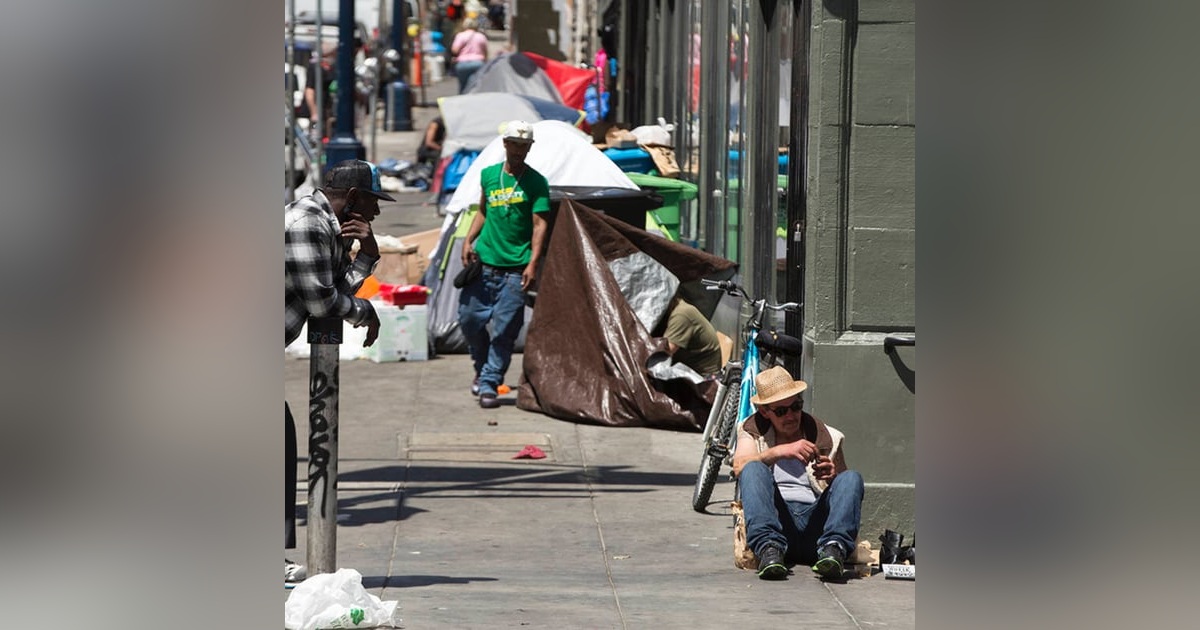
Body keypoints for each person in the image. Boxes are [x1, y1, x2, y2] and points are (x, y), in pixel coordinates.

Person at [284, 159, 394, 580]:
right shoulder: (306, 223)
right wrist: (367, 313)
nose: (376, 212)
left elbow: (335, 290)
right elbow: (323, 305)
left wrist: (368, 255)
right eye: (371, 201)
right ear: (352, 198)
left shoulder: (325, 225)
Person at [732, 365, 865, 581]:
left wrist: (832, 476)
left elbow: (845, 491)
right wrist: (779, 452)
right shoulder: (752, 430)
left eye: (796, 407)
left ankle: (834, 550)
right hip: (777, 523)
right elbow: (739, 466)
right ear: (765, 411)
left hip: (816, 528)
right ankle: (768, 550)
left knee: (852, 478)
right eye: (781, 411)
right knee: (753, 468)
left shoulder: (825, 435)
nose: (791, 416)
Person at [458, 120, 550, 409]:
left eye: (525, 145)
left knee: (505, 331)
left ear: (529, 148)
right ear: (505, 144)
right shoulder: (488, 175)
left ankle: (489, 383)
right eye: (515, 144)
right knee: (469, 320)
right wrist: (467, 239)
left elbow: (539, 225)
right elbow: (483, 211)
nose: (520, 150)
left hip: (514, 270)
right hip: (483, 264)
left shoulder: (536, 182)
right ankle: (483, 367)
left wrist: (533, 264)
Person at [653, 292, 722, 376]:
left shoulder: (681, 315)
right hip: (689, 370)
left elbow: (663, 354)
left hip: (703, 379)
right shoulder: (677, 307)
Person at [450, 17, 489, 92]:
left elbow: (455, 50)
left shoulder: (460, 35)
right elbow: (485, 51)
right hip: (478, 63)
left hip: (462, 64)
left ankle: (463, 100)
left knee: (463, 86)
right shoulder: (481, 36)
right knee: (477, 86)